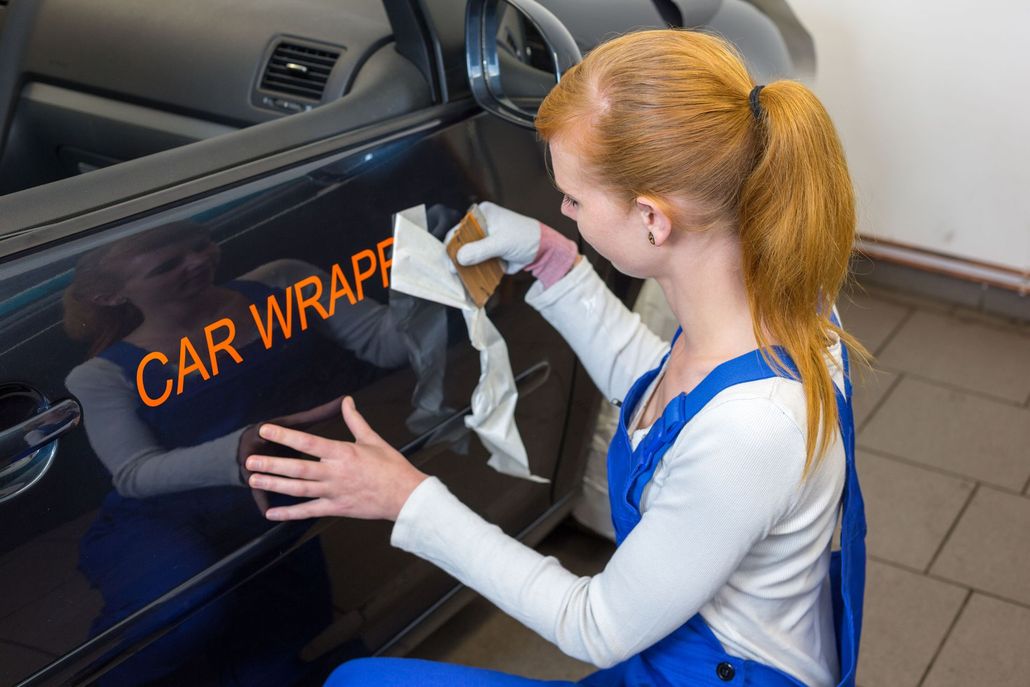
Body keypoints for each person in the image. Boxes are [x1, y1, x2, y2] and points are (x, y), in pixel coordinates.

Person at [244, 28, 870, 687]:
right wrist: (557, 265)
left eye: (573, 198)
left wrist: (410, 499)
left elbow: (594, 622)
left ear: (654, 221)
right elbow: (668, 411)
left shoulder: (755, 426)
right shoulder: (769, 301)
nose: (565, 210)